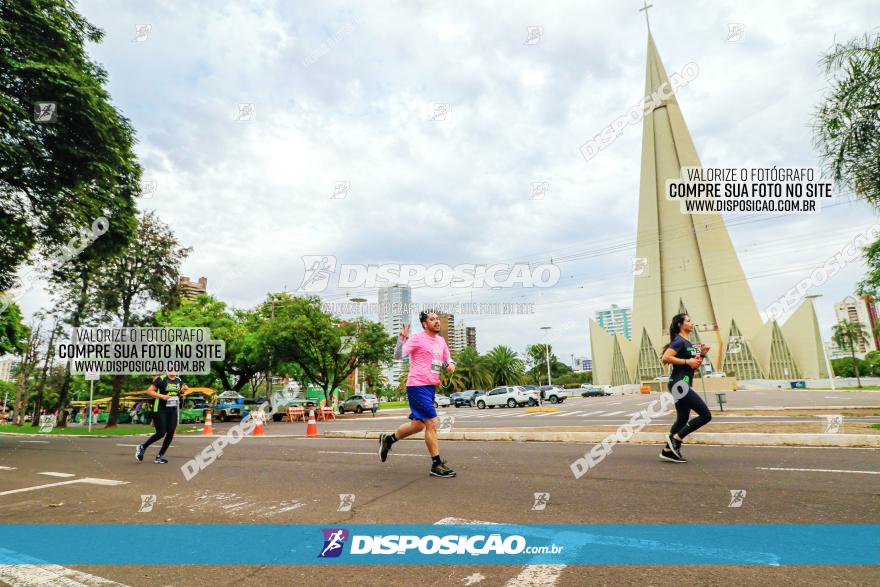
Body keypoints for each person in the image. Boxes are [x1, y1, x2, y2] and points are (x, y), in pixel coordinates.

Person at [379, 311, 457, 478]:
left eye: (437, 319)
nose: (436, 322)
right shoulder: (416, 339)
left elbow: (447, 358)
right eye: (432, 319)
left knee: (418, 425)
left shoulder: (441, 341)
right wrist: (401, 340)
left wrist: (450, 364)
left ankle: (388, 440)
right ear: (424, 323)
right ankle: (436, 464)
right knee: (432, 422)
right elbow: (398, 356)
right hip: (416, 385)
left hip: (430, 387)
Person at [659, 313, 712, 463]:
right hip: (679, 383)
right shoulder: (679, 341)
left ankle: (668, 451)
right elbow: (666, 357)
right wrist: (686, 362)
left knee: (682, 419)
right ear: (680, 325)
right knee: (706, 415)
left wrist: (701, 354)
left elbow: (694, 364)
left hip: (683, 383)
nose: (691, 323)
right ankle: (676, 439)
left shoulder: (689, 344)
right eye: (688, 321)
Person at [135, 369, 188, 464]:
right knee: (161, 432)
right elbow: (149, 391)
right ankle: (142, 447)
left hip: (172, 409)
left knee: (171, 432)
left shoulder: (179, 380)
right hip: (160, 408)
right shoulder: (161, 379)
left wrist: (182, 391)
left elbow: (177, 394)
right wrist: (162, 396)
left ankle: (160, 456)